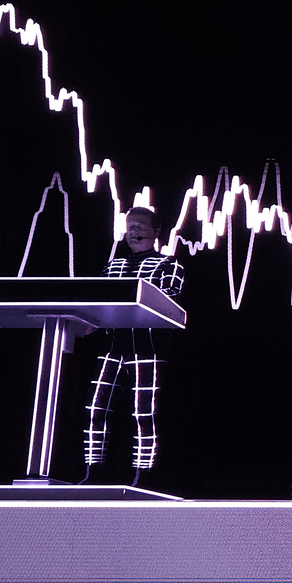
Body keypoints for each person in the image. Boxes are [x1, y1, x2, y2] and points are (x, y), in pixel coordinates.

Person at [81, 206, 185, 487]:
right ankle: (93, 470)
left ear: (156, 231)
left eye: (140, 226)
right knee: (95, 407)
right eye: (130, 227)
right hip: (113, 344)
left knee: (143, 412)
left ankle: (143, 474)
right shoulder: (113, 265)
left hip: (146, 347)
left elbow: (167, 300)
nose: (133, 231)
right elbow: (97, 300)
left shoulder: (169, 265)